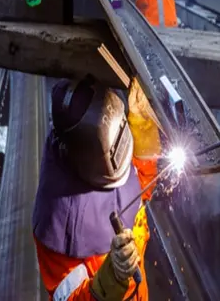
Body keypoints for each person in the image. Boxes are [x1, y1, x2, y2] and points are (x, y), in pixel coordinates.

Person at [32, 76, 161, 301]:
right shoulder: (58, 227)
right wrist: (113, 279)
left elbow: (141, 186)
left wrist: (143, 129)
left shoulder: (109, 144)